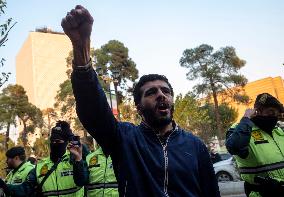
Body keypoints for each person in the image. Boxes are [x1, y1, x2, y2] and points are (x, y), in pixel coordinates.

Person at [61, 5, 220, 197]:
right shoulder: (125, 139)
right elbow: (93, 110)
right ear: (138, 107)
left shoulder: (195, 146)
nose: (161, 95)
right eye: (151, 92)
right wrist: (81, 47)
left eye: (166, 91)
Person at [0, 121, 89, 197]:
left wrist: (71, 138)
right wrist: (3, 185)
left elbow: (82, 180)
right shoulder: (40, 166)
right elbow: (24, 189)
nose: (54, 144)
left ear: (66, 142)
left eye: (58, 141)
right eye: (52, 141)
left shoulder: (75, 160)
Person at [226, 93, 284, 197]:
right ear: (257, 111)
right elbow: (234, 146)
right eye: (271, 112)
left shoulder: (278, 130)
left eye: (277, 113)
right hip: (262, 193)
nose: (274, 116)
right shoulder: (241, 128)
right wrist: (246, 118)